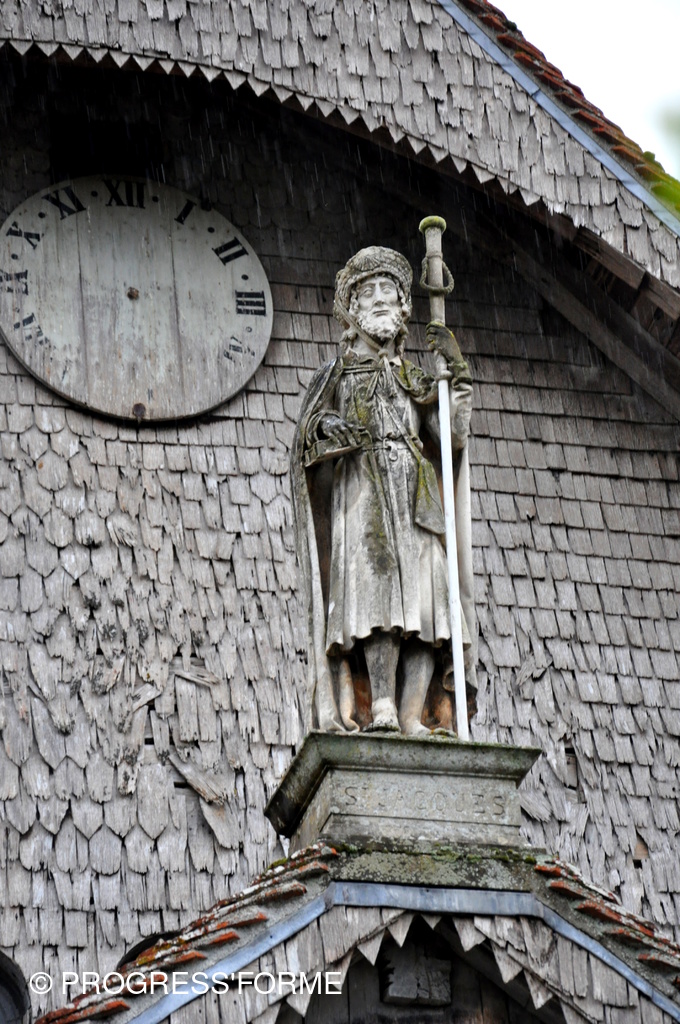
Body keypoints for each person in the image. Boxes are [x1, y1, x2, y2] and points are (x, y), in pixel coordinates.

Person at [291, 245, 475, 735]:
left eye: (387, 291)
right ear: (352, 311)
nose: (378, 299)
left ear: (403, 308)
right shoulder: (336, 376)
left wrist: (455, 375)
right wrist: (328, 428)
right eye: (367, 292)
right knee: (377, 601)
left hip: (416, 496)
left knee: (428, 609)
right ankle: (384, 707)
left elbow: (451, 437)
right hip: (363, 492)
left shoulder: (417, 379)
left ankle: (413, 715)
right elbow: (309, 435)